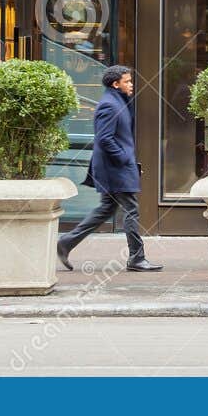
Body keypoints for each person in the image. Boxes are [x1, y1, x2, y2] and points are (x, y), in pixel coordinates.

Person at [56, 65, 160, 272]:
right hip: (114, 169)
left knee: (106, 209)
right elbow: (104, 139)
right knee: (131, 210)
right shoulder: (109, 105)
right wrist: (125, 160)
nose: (131, 85)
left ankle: (66, 242)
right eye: (127, 81)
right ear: (116, 84)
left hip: (116, 167)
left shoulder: (118, 101)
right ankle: (137, 258)